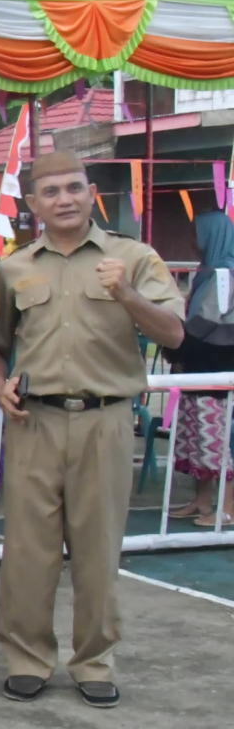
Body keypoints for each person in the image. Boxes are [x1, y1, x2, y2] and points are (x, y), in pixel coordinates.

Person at [0, 150, 185, 707]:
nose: (64, 200)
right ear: (32, 205)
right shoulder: (16, 267)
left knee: (98, 550)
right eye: (51, 192)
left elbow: (172, 333)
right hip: (35, 422)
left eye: (74, 188)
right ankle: (27, 658)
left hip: (107, 419)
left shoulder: (134, 257)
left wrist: (126, 294)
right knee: (27, 550)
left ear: (91, 192)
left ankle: (94, 662)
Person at [167, 209, 234, 524]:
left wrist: (174, 335)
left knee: (218, 439)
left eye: (198, 234)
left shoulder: (227, 276)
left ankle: (228, 507)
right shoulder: (207, 273)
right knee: (197, 439)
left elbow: (206, 325)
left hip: (217, 372)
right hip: (198, 369)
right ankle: (203, 501)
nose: (194, 242)